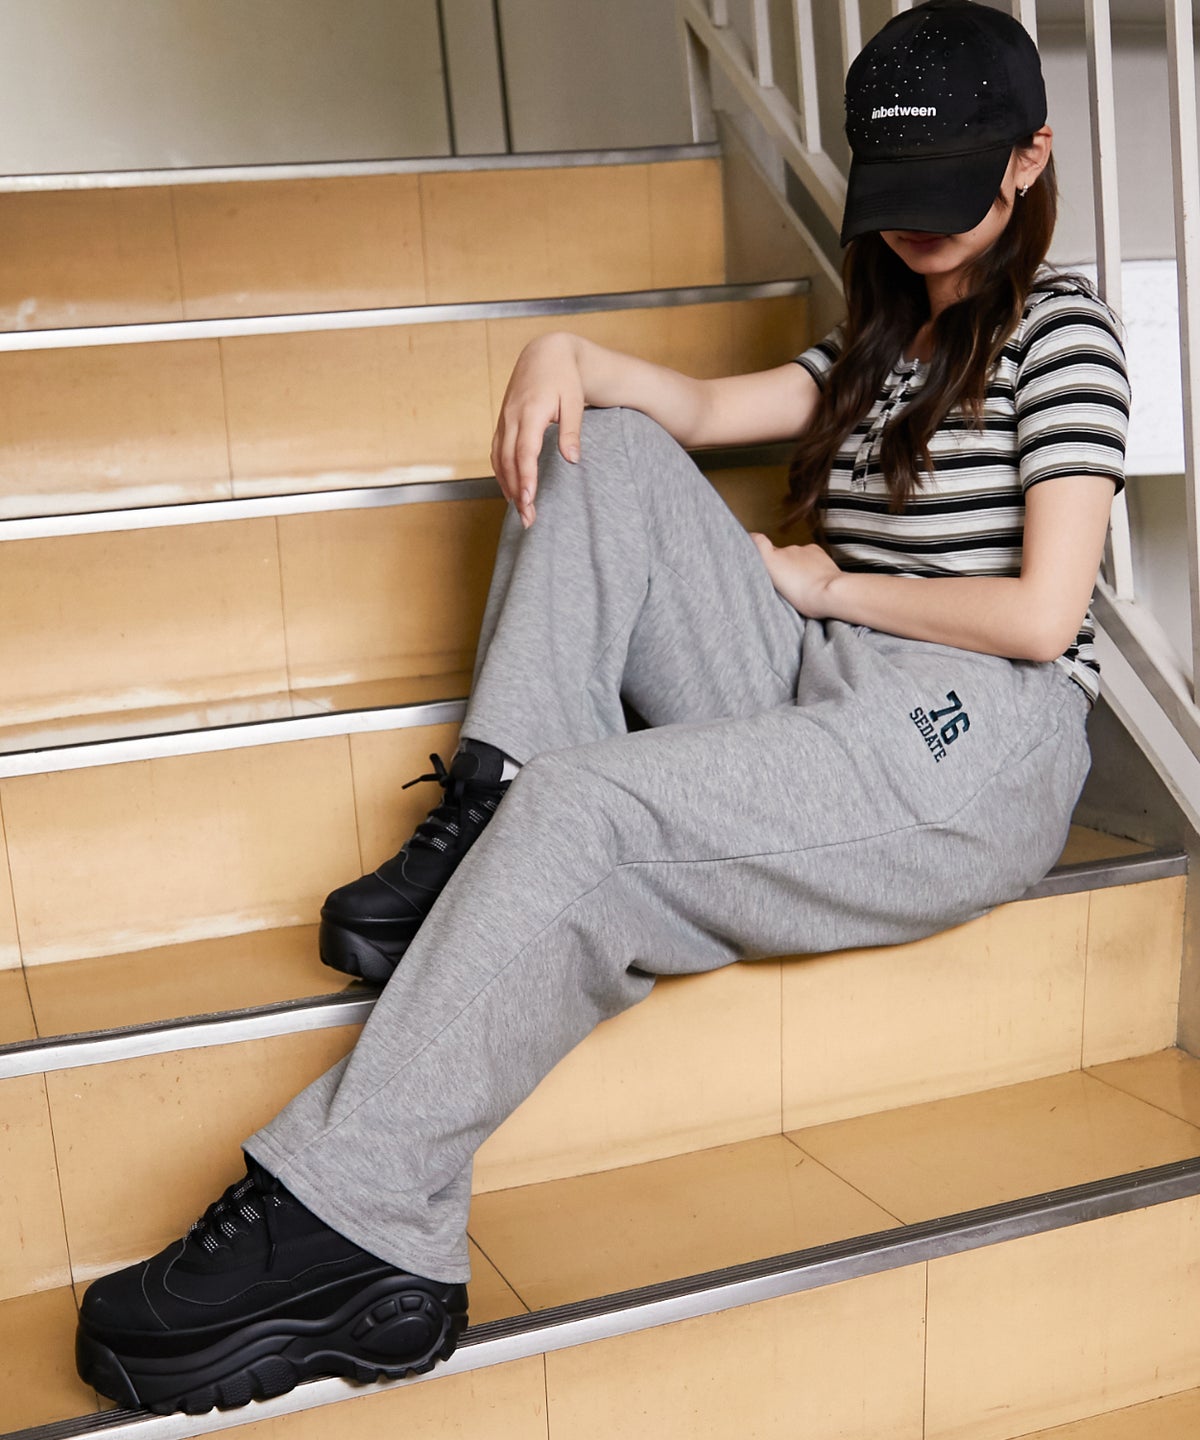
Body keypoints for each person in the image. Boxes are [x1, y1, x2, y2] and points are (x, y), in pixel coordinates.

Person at [75, 0, 1129, 1416]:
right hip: (828, 680)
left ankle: (358, 1225)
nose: (915, 229)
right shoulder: (879, 344)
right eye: (897, 196)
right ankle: (496, 803)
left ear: (1028, 160)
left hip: (974, 732)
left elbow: (1045, 618)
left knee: (596, 815)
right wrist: (562, 355)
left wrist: (828, 586)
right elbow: (689, 411)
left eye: (949, 193)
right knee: (607, 450)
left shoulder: (1065, 335)